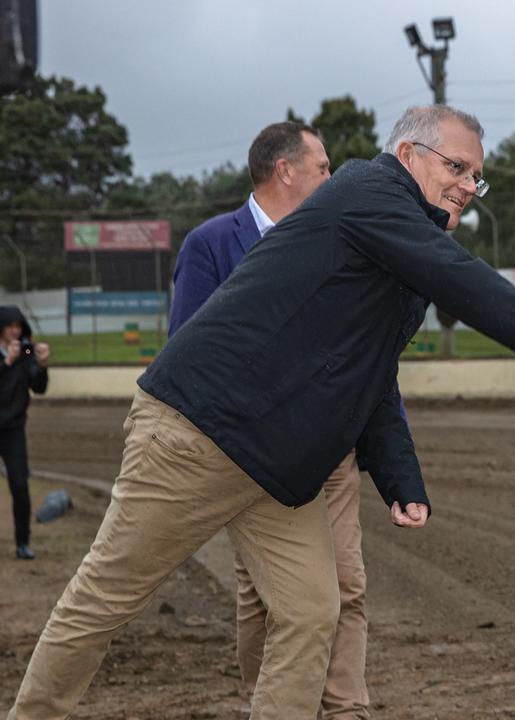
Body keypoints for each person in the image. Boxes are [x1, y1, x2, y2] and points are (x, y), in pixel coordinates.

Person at [8, 104, 515, 720]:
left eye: (476, 176)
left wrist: (399, 475)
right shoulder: (369, 192)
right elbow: (469, 283)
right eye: (458, 167)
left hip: (277, 466)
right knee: (107, 597)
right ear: (408, 156)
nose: (468, 184)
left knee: (310, 612)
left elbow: (373, 369)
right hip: (196, 436)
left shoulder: (402, 237)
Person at [170, 121, 375, 718]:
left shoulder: (340, 242)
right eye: (323, 166)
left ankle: (345, 710)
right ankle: (276, 704)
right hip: (250, 456)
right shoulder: (210, 244)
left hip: (329, 450)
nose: (331, 177)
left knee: (348, 585)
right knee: (264, 596)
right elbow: (188, 350)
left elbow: (367, 354)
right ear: (286, 171)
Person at [0, 306, 49, 561]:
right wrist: (6, 363)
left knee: (20, 485)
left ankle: (23, 542)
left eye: (19, 327)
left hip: (13, 429)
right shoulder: (9, 355)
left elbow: (38, 387)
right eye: (11, 326)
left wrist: (41, 365)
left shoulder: (25, 351)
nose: (16, 331)